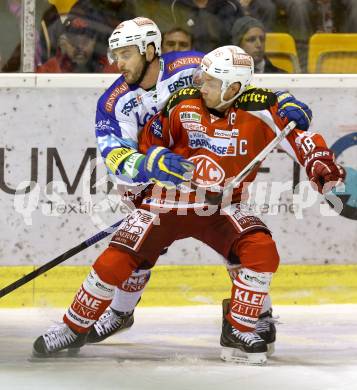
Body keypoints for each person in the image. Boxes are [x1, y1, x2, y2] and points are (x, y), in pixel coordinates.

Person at [33, 45, 345, 364]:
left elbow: (303, 141)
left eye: (209, 81)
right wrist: (156, 160)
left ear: (233, 88)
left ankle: (239, 327)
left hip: (222, 207)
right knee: (114, 262)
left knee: (262, 251)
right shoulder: (182, 103)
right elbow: (151, 144)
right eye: (201, 77)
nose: (199, 84)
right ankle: (73, 327)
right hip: (169, 202)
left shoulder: (262, 108)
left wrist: (320, 165)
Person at [37, 16, 116, 73]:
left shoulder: (110, 72)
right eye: (74, 42)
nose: (80, 47)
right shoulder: (49, 71)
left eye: (85, 42)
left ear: (94, 43)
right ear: (64, 43)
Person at [170, 0, 245, 53]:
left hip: (223, 65)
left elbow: (242, 39)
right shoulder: (175, 5)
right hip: (185, 64)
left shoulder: (232, 6)